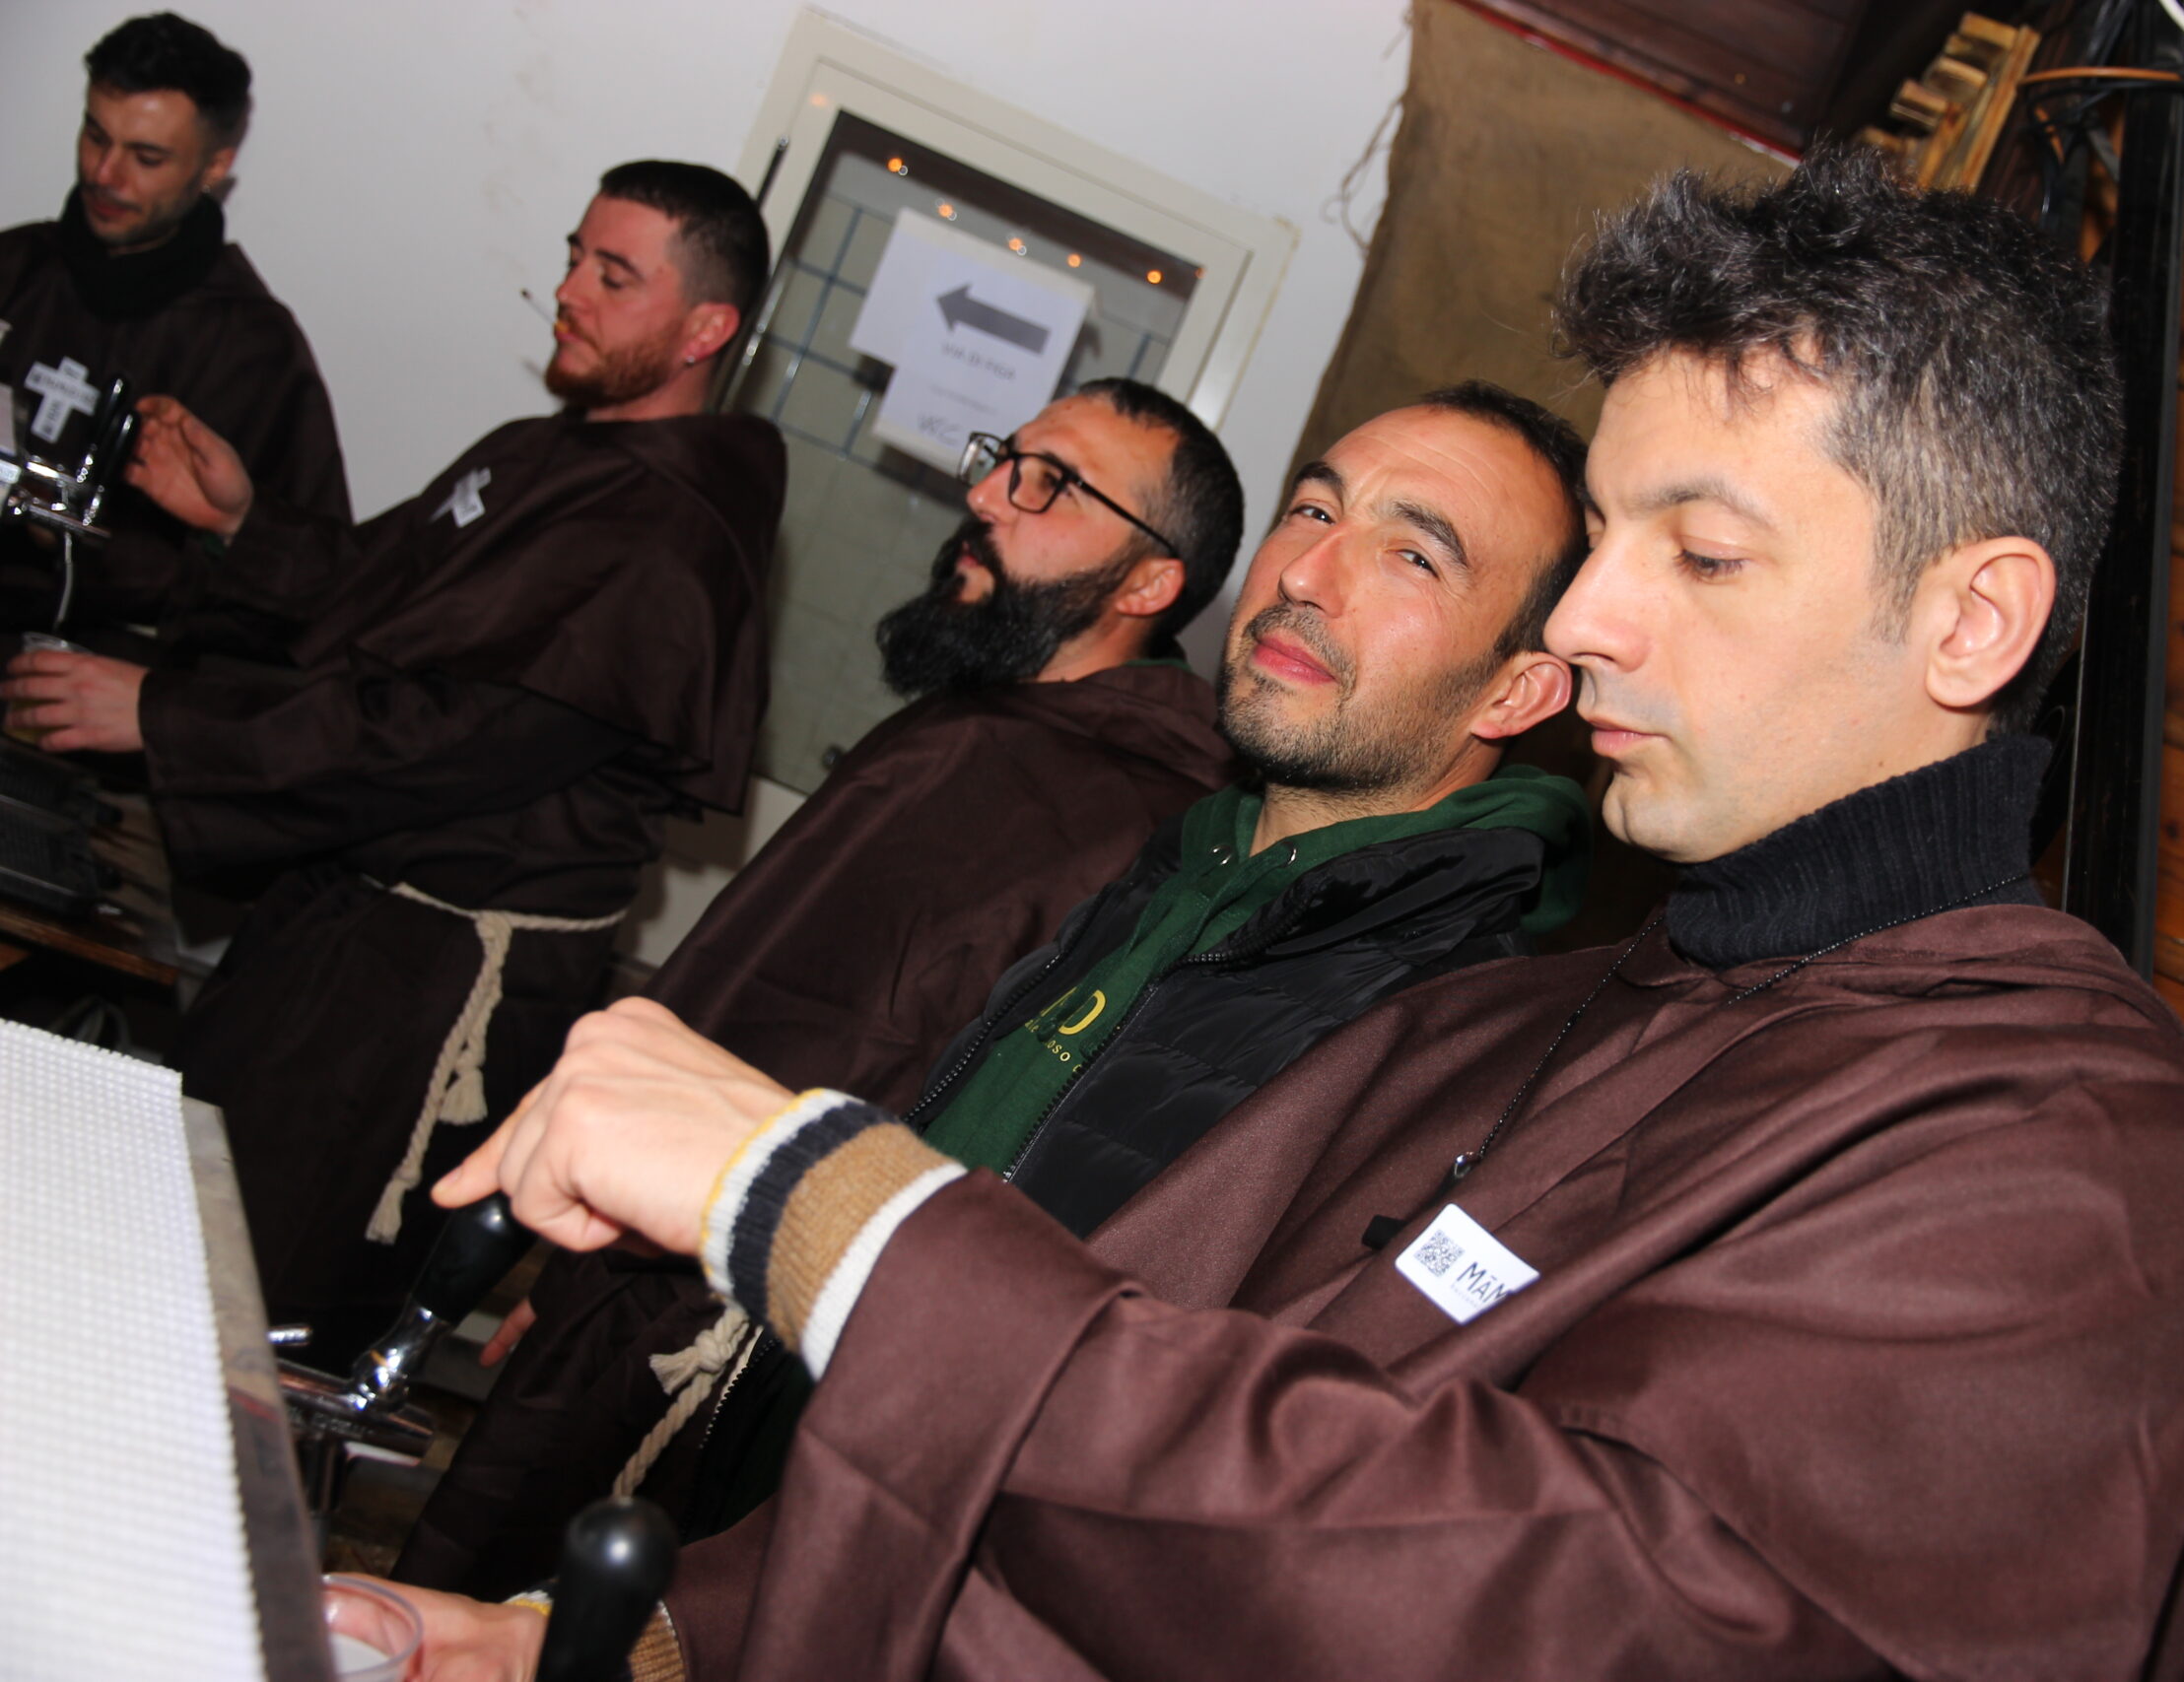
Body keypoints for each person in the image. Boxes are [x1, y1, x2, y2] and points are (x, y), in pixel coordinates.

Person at [401, 150, 2184, 1680]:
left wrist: (815, 1198)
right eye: (1602, 534)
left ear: (1973, 620)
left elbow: (1571, 1622)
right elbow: (1120, 1498)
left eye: (1700, 551)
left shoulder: (2083, 1181)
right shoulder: (1531, 1020)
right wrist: (637, 1643)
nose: (1587, 619)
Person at [402, 380, 1598, 1597]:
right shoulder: (1176, 870)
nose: (1306, 573)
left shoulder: (1456, 1046)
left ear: (1516, 690)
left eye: (1411, 555)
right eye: (1313, 510)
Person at [397, 374, 1248, 1590]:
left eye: (1050, 485)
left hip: (745, 1326)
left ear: (1149, 583)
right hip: (637, 1255)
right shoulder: (989, 723)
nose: (986, 496)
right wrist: (591, 1267)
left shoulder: (1134, 821)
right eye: (1004, 458)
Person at [3, 161, 784, 1366]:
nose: (568, 291)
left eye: (613, 275)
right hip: (339, 936)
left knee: (242, 1317)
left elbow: (437, 739)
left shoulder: (670, 543)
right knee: (155, 1242)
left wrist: (165, 716)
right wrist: (241, 521)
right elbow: (381, 595)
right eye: (574, 256)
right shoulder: (545, 453)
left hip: (420, 1005)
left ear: (705, 330)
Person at [0, 11, 346, 641]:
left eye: (147, 157)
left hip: (115, 662)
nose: (104, 174)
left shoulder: (254, 349)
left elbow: (307, 583)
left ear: (214, 167)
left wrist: (65, 536)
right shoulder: (15, 266)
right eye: (95, 136)